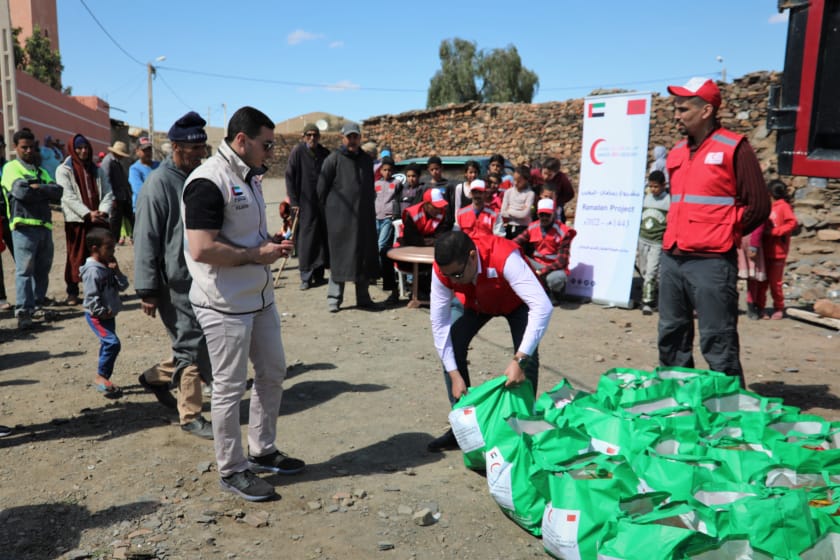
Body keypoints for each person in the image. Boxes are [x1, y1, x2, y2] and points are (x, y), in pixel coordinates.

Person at [183, 106, 303, 502]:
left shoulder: (247, 176)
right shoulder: (207, 182)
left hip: (258, 298)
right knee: (230, 387)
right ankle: (232, 469)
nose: (271, 152)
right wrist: (257, 255)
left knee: (272, 372)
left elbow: (241, 233)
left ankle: (263, 450)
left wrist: (267, 241)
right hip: (223, 303)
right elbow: (202, 248)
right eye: (266, 145)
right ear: (241, 141)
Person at [659, 77, 770, 388]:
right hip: (672, 257)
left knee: (717, 338)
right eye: (675, 109)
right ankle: (676, 399)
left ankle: (728, 409)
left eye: (683, 109)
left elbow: (758, 206)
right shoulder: (677, 152)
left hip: (711, 262)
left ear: (706, 110)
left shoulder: (735, 147)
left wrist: (723, 232)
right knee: (671, 334)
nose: (677, 115)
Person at [427, 230, 553, 452]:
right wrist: (454, 375)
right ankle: (462, 428)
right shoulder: (444, 271)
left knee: (528, 359)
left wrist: (519, 360)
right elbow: (439, 325)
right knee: (453, 347)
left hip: (516, 303)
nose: (452, 280)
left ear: (472, 256)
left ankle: (525, 426)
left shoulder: (505, 257)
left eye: (457, 274)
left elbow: (542, 307)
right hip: (475, 303)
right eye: (449, 276)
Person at [135, 112, 214, 439]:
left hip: (201, 277)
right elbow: (145, 238)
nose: (200, 154)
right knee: (192, 344)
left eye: (202, 148)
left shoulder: (196, 178)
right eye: (193, 149)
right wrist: (147, 289)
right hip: (174, 282)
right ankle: (190, 416)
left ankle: (155, 376)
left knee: (200, 342)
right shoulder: (159, 184)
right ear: (176, 147)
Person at [317, 122, 381, 313]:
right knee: (340, 259)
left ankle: (363, 297)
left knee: (362, 258)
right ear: (342, 138)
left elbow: (369, 187)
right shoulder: (333, 159)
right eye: (349, 137)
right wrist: (330, 213)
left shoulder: (366, 160)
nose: (352, 140)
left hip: (363, 219)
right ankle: (334, 299)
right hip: (340, 221)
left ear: (360, 138)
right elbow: (321, 189)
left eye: (355, 137)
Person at [1, 128, 63, 329]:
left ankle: (36, 304)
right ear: (15, 148)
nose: (28, 150)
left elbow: (57, 191)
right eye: (23, 147)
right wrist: (42, 190)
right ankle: (23, 312)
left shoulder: (40, 170)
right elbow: (21, 192)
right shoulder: (11, 168)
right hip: (24, 227)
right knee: (24, 271)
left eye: (30, 147)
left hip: (44, 226)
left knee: (42, 270)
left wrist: (38, 188)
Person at [56, 134, 113, 305]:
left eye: (86, 148)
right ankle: (72, 291)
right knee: (75, 255)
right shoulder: (64, 169)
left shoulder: (97, 169)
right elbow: (68, 196)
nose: (83, 151)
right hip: (77, 220)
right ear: (73, 150)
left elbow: (108, 192)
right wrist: (87, 213)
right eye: (79, 148)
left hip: (97, 219)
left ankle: (100, 289)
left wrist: (102, 211)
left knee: (100, 254)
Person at [80, 227, 129, 399]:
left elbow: (123, 286)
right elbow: (91, 297)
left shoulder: (107, 266)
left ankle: (103, 377)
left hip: (108, 315)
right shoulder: (93, 271)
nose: (112, 252)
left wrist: (117, 271)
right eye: (109, 248)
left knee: (107, 343)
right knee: (112, 343)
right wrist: (101, 312)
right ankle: (101, 377)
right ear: (94, 248)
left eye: (113, 248)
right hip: (97, 317)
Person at [285, 123, 330, 290]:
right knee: (306, 240)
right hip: (302, 204)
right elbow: (289, 177)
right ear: (304, 137)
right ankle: (305, 276)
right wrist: (294, 202)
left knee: (320, 239)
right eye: (309, 135)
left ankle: (319, 275)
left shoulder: (324, 153)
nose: (312, 138)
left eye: (315, 135)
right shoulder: (298, 152)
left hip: (321, 204)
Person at [514, 198, 576, 304]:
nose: (544, 218)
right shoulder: (532, 226)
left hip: (554, 268)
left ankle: (554, 293)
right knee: (516, 257)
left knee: (556, 279)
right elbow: (515, 242)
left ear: (553, 214)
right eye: (541, 214)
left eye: (547, 215)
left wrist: (543, 271)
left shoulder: (564, 231)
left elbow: (561, 262)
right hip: (537, 264)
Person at [757, 179, 798, 320]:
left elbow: (792, 222)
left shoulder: (783, 207)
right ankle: (761, 308)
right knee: (761, 282)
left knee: (775, 283)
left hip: (778, 252)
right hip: (764, 251)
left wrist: (776, 232)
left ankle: (778, 307)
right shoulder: (768, 206)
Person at [636, 170, 670, 315]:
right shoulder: (645, 199)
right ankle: (652, 291)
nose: (653, 189)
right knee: (643, 269)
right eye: (651, 186)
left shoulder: (668, 200)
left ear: (663, 185)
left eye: (656, 186)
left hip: (657, 242)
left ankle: (647, 302)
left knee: (651, 271)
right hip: (643, 239)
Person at [374, 156, 399, 304]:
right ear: (381, 170)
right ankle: (376, 273)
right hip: (376, 218)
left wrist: (394, 216)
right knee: (375, 246)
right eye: (384, 170)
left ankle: (379, 273)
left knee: (381, 246)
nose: (387, 172)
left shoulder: (397, 183)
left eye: (390, 170)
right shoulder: (376, 184)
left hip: (388, 219)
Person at [100, 141, 134, 244]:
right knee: (115, 222)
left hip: (123, 196)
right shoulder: (108, 162)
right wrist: (112, 198)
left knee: (132, 219)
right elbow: (106, 181)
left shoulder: (117, 162)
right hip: (115, 198)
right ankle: (111, 242)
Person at [501, 164, 535, 239]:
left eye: (519, 181)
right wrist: (518, 209)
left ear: (526, 180)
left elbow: (524, 214)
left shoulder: (530, 194)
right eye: (514, 180)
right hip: (509, 227)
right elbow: (503, 212)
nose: (515, 183)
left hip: (523, 227)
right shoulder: (508, 192)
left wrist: (510, 210)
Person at [128, 137, 159, 211]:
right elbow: (139, 190)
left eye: (149, 149)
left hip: (158, 207)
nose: (148, 152)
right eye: (144, 150)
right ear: (137, 151)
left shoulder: (159, 166)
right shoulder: (134, 169)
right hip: (142, 208)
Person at [540, 157, 575, 223]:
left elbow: (570, 194)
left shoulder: (562, 178)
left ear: (556, 173)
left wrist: (556, 201)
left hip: (556, 207)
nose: (546, 177)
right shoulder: (535, 174)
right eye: (544, 173)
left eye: (550, 175)